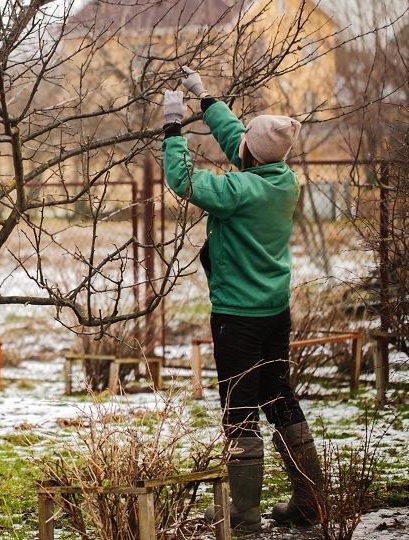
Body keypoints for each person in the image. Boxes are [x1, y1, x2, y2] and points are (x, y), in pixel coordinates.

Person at [162, 67, 323, 530]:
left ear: (252, 153)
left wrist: (173, 127)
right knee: (279, 397)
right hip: (275, 311)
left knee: (238, 412)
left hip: (238, 318)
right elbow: (242, 141)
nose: (241, 147)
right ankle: (310, 503)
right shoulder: (282, 179)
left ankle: (243, 514)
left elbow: (184, 180)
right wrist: (204, 97)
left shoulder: (238, 191)